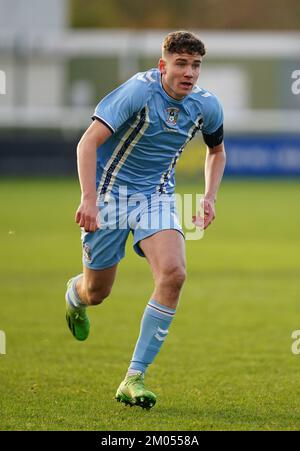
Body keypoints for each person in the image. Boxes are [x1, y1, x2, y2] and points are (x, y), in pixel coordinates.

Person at [65, 30, 226, 410]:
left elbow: (216, 150)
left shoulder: (206, 105)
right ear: (163, 66)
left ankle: (133, 377)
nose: (189, 72)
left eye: (196, 65)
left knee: (174, 273)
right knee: (97, 292)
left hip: (157, 197)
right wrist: (89, 199)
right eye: (181, 64)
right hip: (109, 198)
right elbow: (87, 142)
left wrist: (208, 196)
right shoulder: (138, 92)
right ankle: (76, 295)